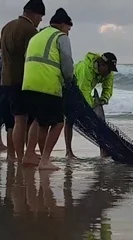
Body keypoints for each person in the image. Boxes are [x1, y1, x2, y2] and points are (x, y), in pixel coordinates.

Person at [22, 8, 74, 170]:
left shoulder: (37, 36)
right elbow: (66, 62)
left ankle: (29, 155)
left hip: (28, 84)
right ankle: (44, 160)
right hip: (47, 85)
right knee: (58, 122)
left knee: (39, 120)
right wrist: (69, 80)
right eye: (69, 29)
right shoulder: (60, 37)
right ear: (63, 25)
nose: (68, 32)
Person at [0, 0, 45, 163]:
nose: (40, 20)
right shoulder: (31, 31)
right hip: (23, 81)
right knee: (27, 120)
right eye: (40, 17)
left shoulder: (6, 27)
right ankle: (27, 155)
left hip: (5, 81)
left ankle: (17, 156)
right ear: (34, 13)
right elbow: (32, 59)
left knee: (14, 120)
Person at [64, 52, 118, 159]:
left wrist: (103, 99)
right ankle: (68, 151)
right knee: (70, 119)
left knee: (99, 120)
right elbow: (84, 92)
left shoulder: (109, 72)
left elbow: (108, 88)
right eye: (108, 69)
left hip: (83, 89)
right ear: (102, 64)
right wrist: (89, 112)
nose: (109, 73)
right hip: (70, 88)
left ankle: (103, 151)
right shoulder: (86, 69)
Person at [0, 48, 15, 159]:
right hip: (6, 89)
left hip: (3, 89)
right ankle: (10, 153)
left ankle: (4, 148)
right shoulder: (6, 58)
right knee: (10, 123)